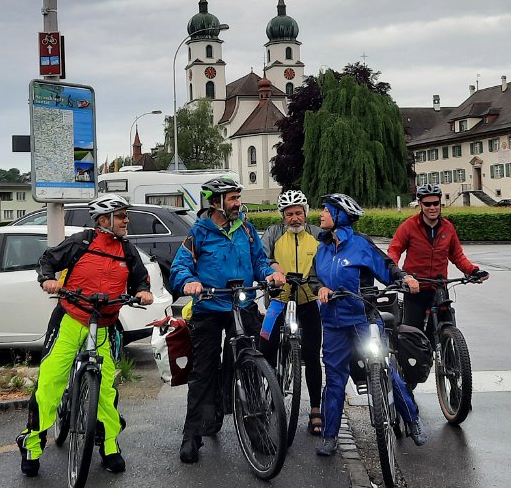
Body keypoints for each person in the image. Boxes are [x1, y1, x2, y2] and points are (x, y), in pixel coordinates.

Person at [16, 194, 154, 477]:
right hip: (71, 317)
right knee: (51, 382)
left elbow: (140, 278)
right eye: (121, 215)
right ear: (104, 220)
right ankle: (32, 443)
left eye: (125, 215)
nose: (126, 220)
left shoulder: (127, 250)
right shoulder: (81, 242)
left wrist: (143, 291)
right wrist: (48, 279)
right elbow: (48, 259)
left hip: (104, 324)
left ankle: (110, 445)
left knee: (106, 391)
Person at [170, 177, 285, 464]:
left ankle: (257, 432)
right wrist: (189, 282)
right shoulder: (199, 232)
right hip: (209, 306)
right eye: (232, 198)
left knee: (248, 367)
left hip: (241, 303)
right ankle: (192, 436)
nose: (238, 203)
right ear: (216, 202)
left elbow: (259, 260)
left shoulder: (245, 229)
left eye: (237, 198)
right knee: (203, 372)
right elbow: (180, 266)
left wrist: (268, 273)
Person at [312, 193, 427, 456]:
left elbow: (387, 267)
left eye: (326, 211)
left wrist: (404, 278)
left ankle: (412, 419)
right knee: (334, 380)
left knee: (385, 368)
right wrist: (320, 288)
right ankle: (330, 436)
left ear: (340, 216)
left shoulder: (361, 244)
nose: (321, 215)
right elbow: (313, 278)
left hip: (363, 318)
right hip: (333, 323)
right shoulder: (322, 248)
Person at [387, 184, 489, 389]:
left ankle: (455, 383)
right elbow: (394, 251)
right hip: (415, 288)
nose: (432, 207)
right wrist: (400, 275)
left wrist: (473, 271)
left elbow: (457, 255)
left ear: (440, 204)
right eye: (428, 204)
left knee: (448, 328)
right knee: (411, 337)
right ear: (421, 205)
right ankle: (408, 385)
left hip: (439, 287)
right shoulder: (409, 226)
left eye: (436, 203)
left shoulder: (448, 228)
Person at [259, 189, 324, 436]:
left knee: (312, 355)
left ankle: (316, 409)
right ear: (282, 216)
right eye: (289, 214)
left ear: (305, 213)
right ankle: (270, 392)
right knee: (266, 346)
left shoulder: (317, 235)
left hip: (309, 300)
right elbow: (262, 259)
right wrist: (275, 268)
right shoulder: (273, 233)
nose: (294, 218)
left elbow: (328, 259)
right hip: (280, 299)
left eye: (298, 213)